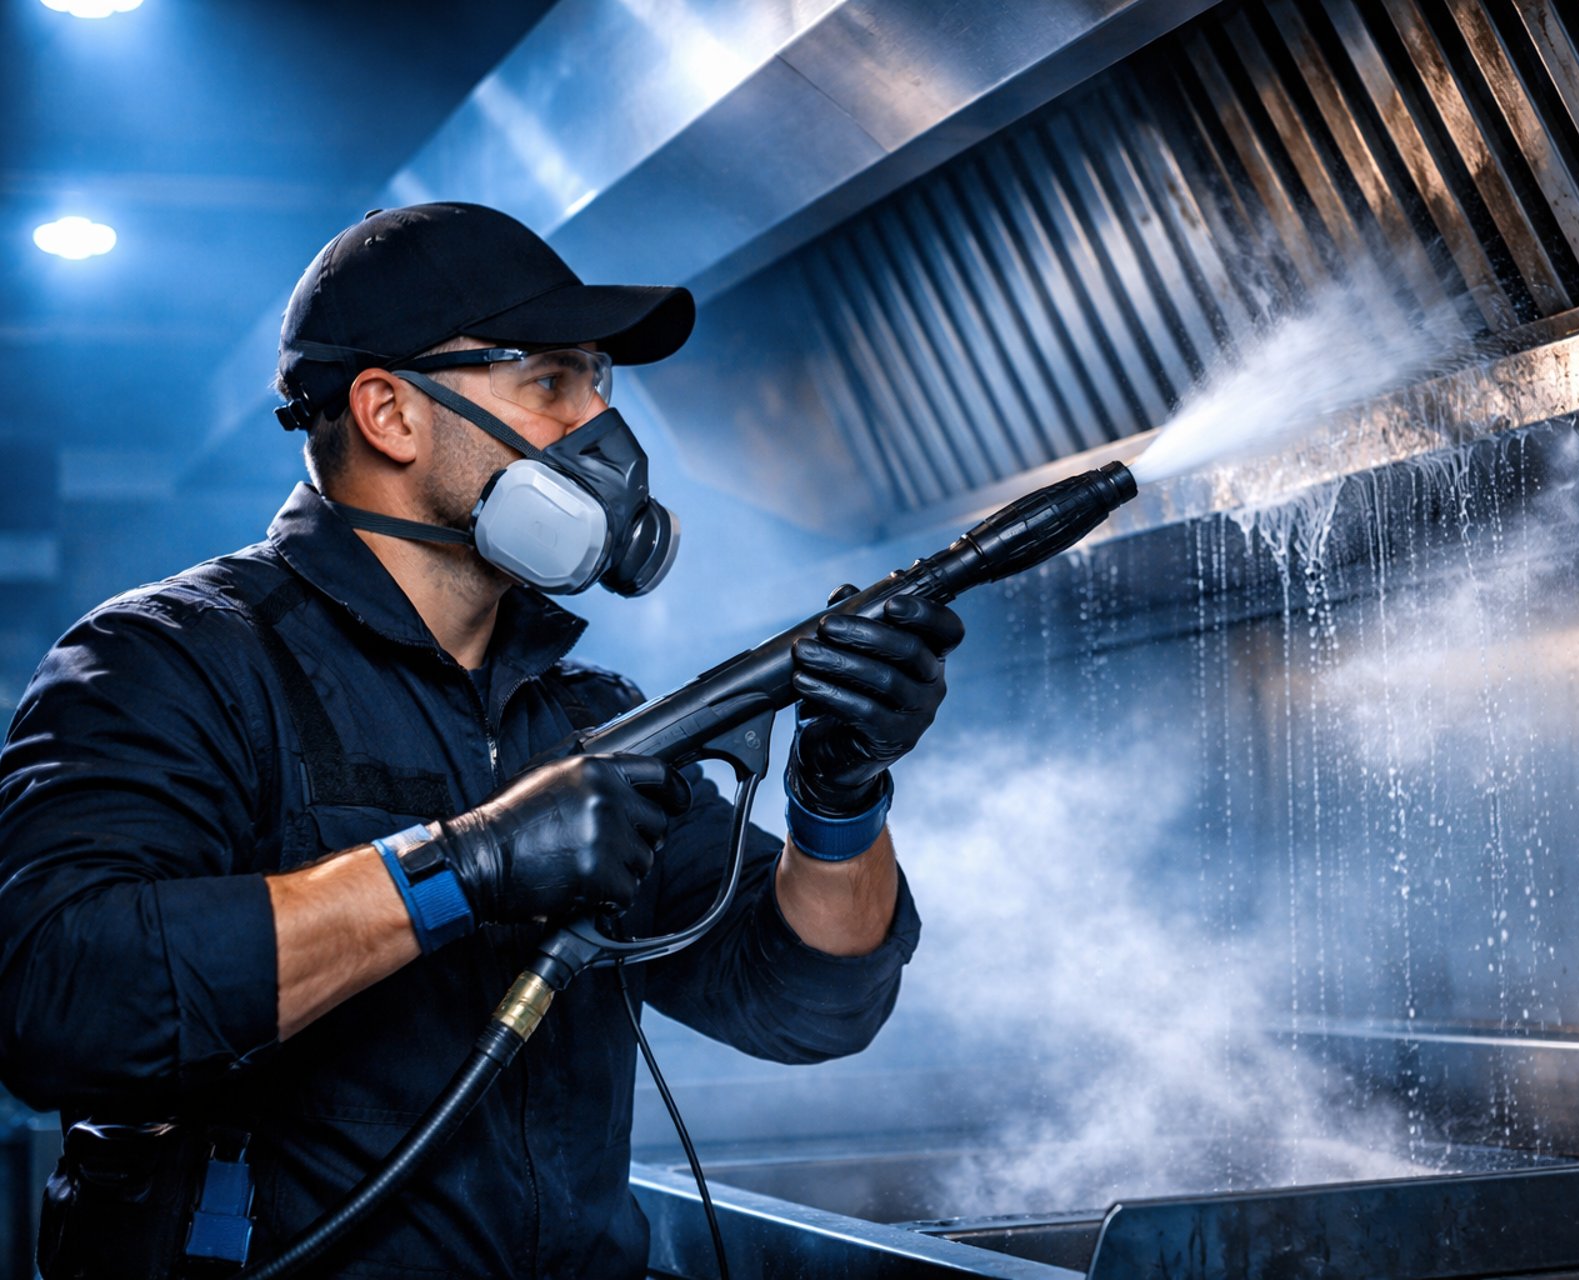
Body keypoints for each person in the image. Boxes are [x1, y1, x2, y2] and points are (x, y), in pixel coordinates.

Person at [0, 202, 964, 1279]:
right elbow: (56, 996)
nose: (600, 424)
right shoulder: (173, 663)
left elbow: (806, 1005)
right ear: (390, 413)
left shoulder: (585, 715)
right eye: (551, 381)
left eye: (599, 381)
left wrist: (840, 796)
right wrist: (462, 866)